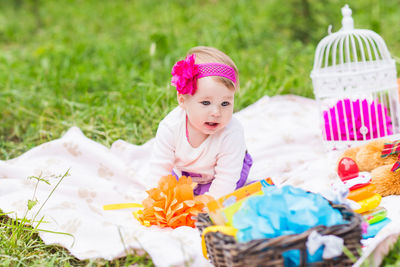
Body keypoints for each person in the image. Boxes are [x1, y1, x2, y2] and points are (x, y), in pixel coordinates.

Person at [149, 46, 252, 199]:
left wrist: (208, 202)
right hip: (185, 174)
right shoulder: (171, 127)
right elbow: (160, 168)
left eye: (225, 104)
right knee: (172, 190)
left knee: (227, 196)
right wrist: (161, 198)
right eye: (205, 103)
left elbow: (227, 178)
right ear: (182, 100)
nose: (216, 112)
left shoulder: (231, 132)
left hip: (223, 175)